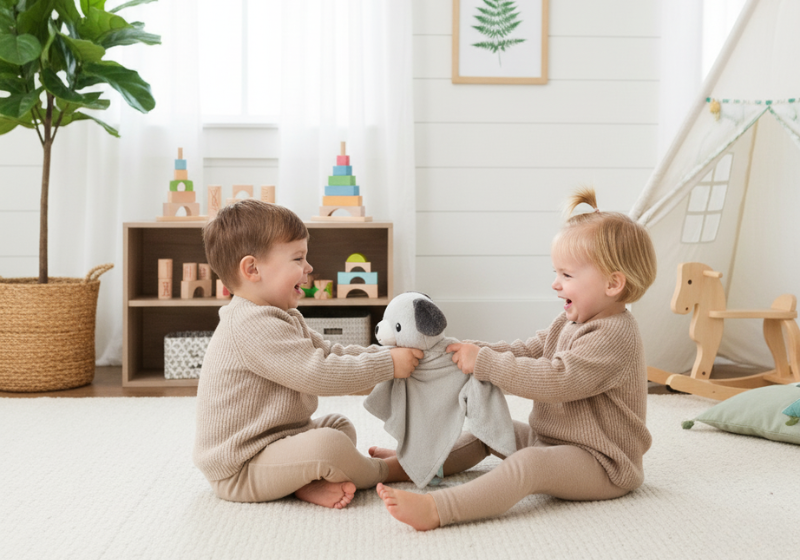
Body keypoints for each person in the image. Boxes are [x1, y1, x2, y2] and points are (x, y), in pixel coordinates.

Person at [374, 187, 657, 530]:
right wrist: (463, 349)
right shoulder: (569, 320)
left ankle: (439, 508)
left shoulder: (614, 334)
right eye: (556, 273)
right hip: (553, 440)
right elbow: (527, 349)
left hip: (602, 462)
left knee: (531, 466)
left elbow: (558, 380)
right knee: (487, 429)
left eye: (566, 275)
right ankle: (412, 465)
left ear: (613, 284)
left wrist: (486, 364)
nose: (555, 284)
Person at [193, 198, 422, 510]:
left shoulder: (280, 315)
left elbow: (332, 352)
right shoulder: (250, 324)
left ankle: (303, 482)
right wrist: (387, 365)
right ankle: (388, 470)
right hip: (242, 467)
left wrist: (386, 353)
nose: (309, 268)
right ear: (252, 269)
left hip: (279, 440)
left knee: (338, 427)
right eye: (298, 258)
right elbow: (320, 374)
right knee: (329, 446)